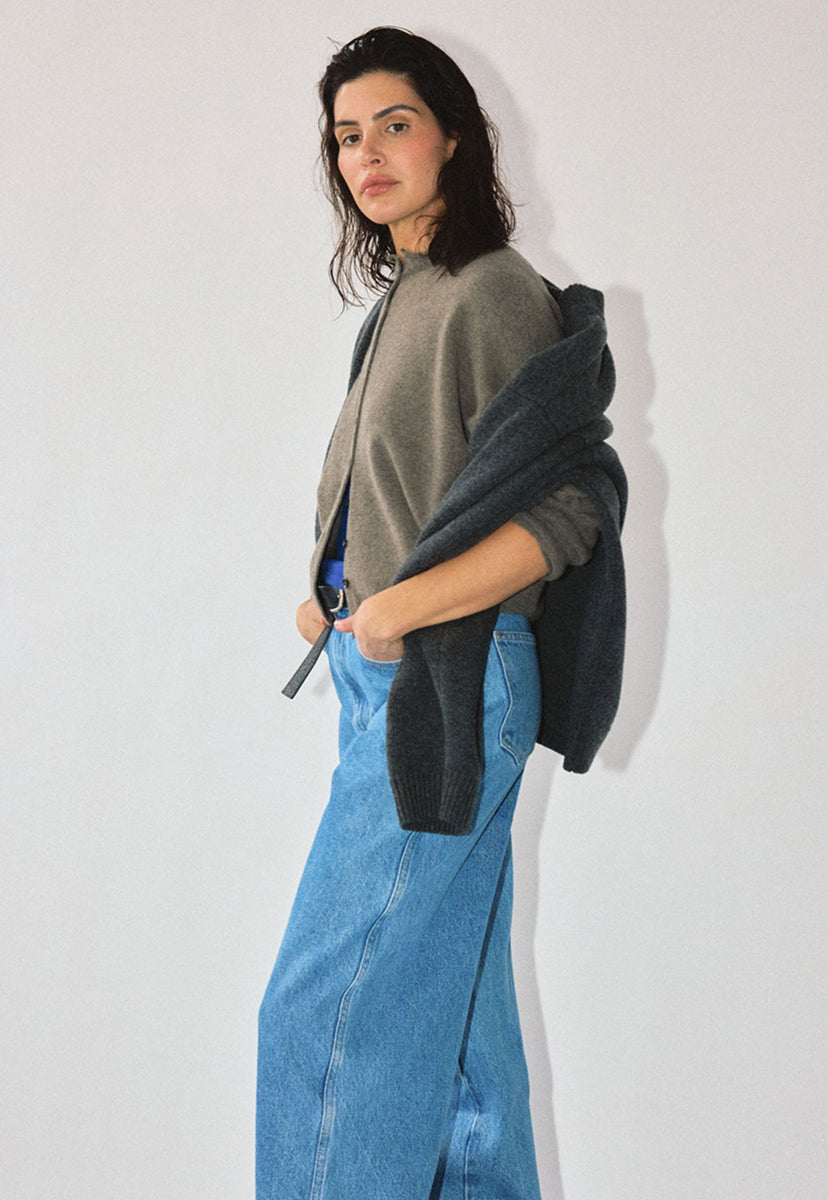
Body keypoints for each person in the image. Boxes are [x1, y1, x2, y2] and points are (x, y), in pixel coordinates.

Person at [257, 26, 627, 1200]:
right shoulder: (403, 302)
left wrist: (400, 606)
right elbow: (411, 489)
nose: (367, 155)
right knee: (455, 1025)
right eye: (346, 137)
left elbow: (568, 504)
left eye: (395, 125)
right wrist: (335, 596)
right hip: (387, 677)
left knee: (321, 1016)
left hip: (451, 681)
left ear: (455, 137)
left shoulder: (493, 291)